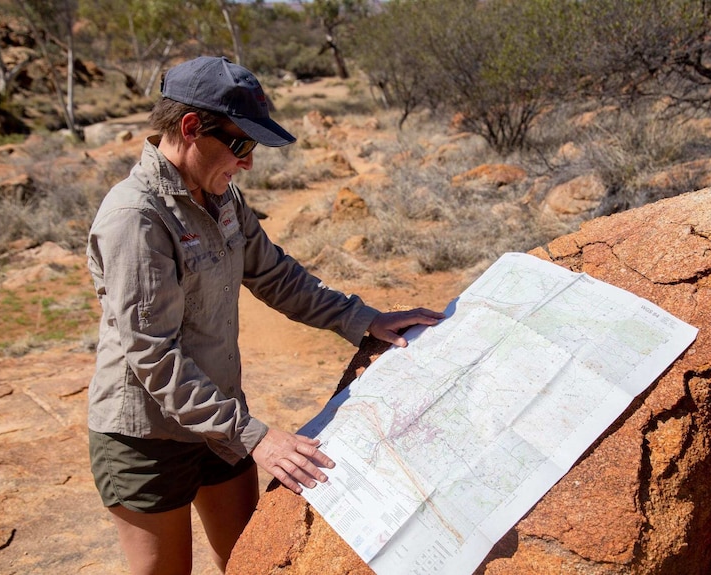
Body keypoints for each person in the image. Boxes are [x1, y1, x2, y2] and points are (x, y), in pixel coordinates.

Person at [85, 55, 444, 575]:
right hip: (146, 437)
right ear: (190, 128)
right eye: (241, 144)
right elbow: (154, 356)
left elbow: (275, 275)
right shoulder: (135, 219)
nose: (249, 162)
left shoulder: (220, 195)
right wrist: (254, 436)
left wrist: (362, 318)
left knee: (248, 561)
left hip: (218, 420)